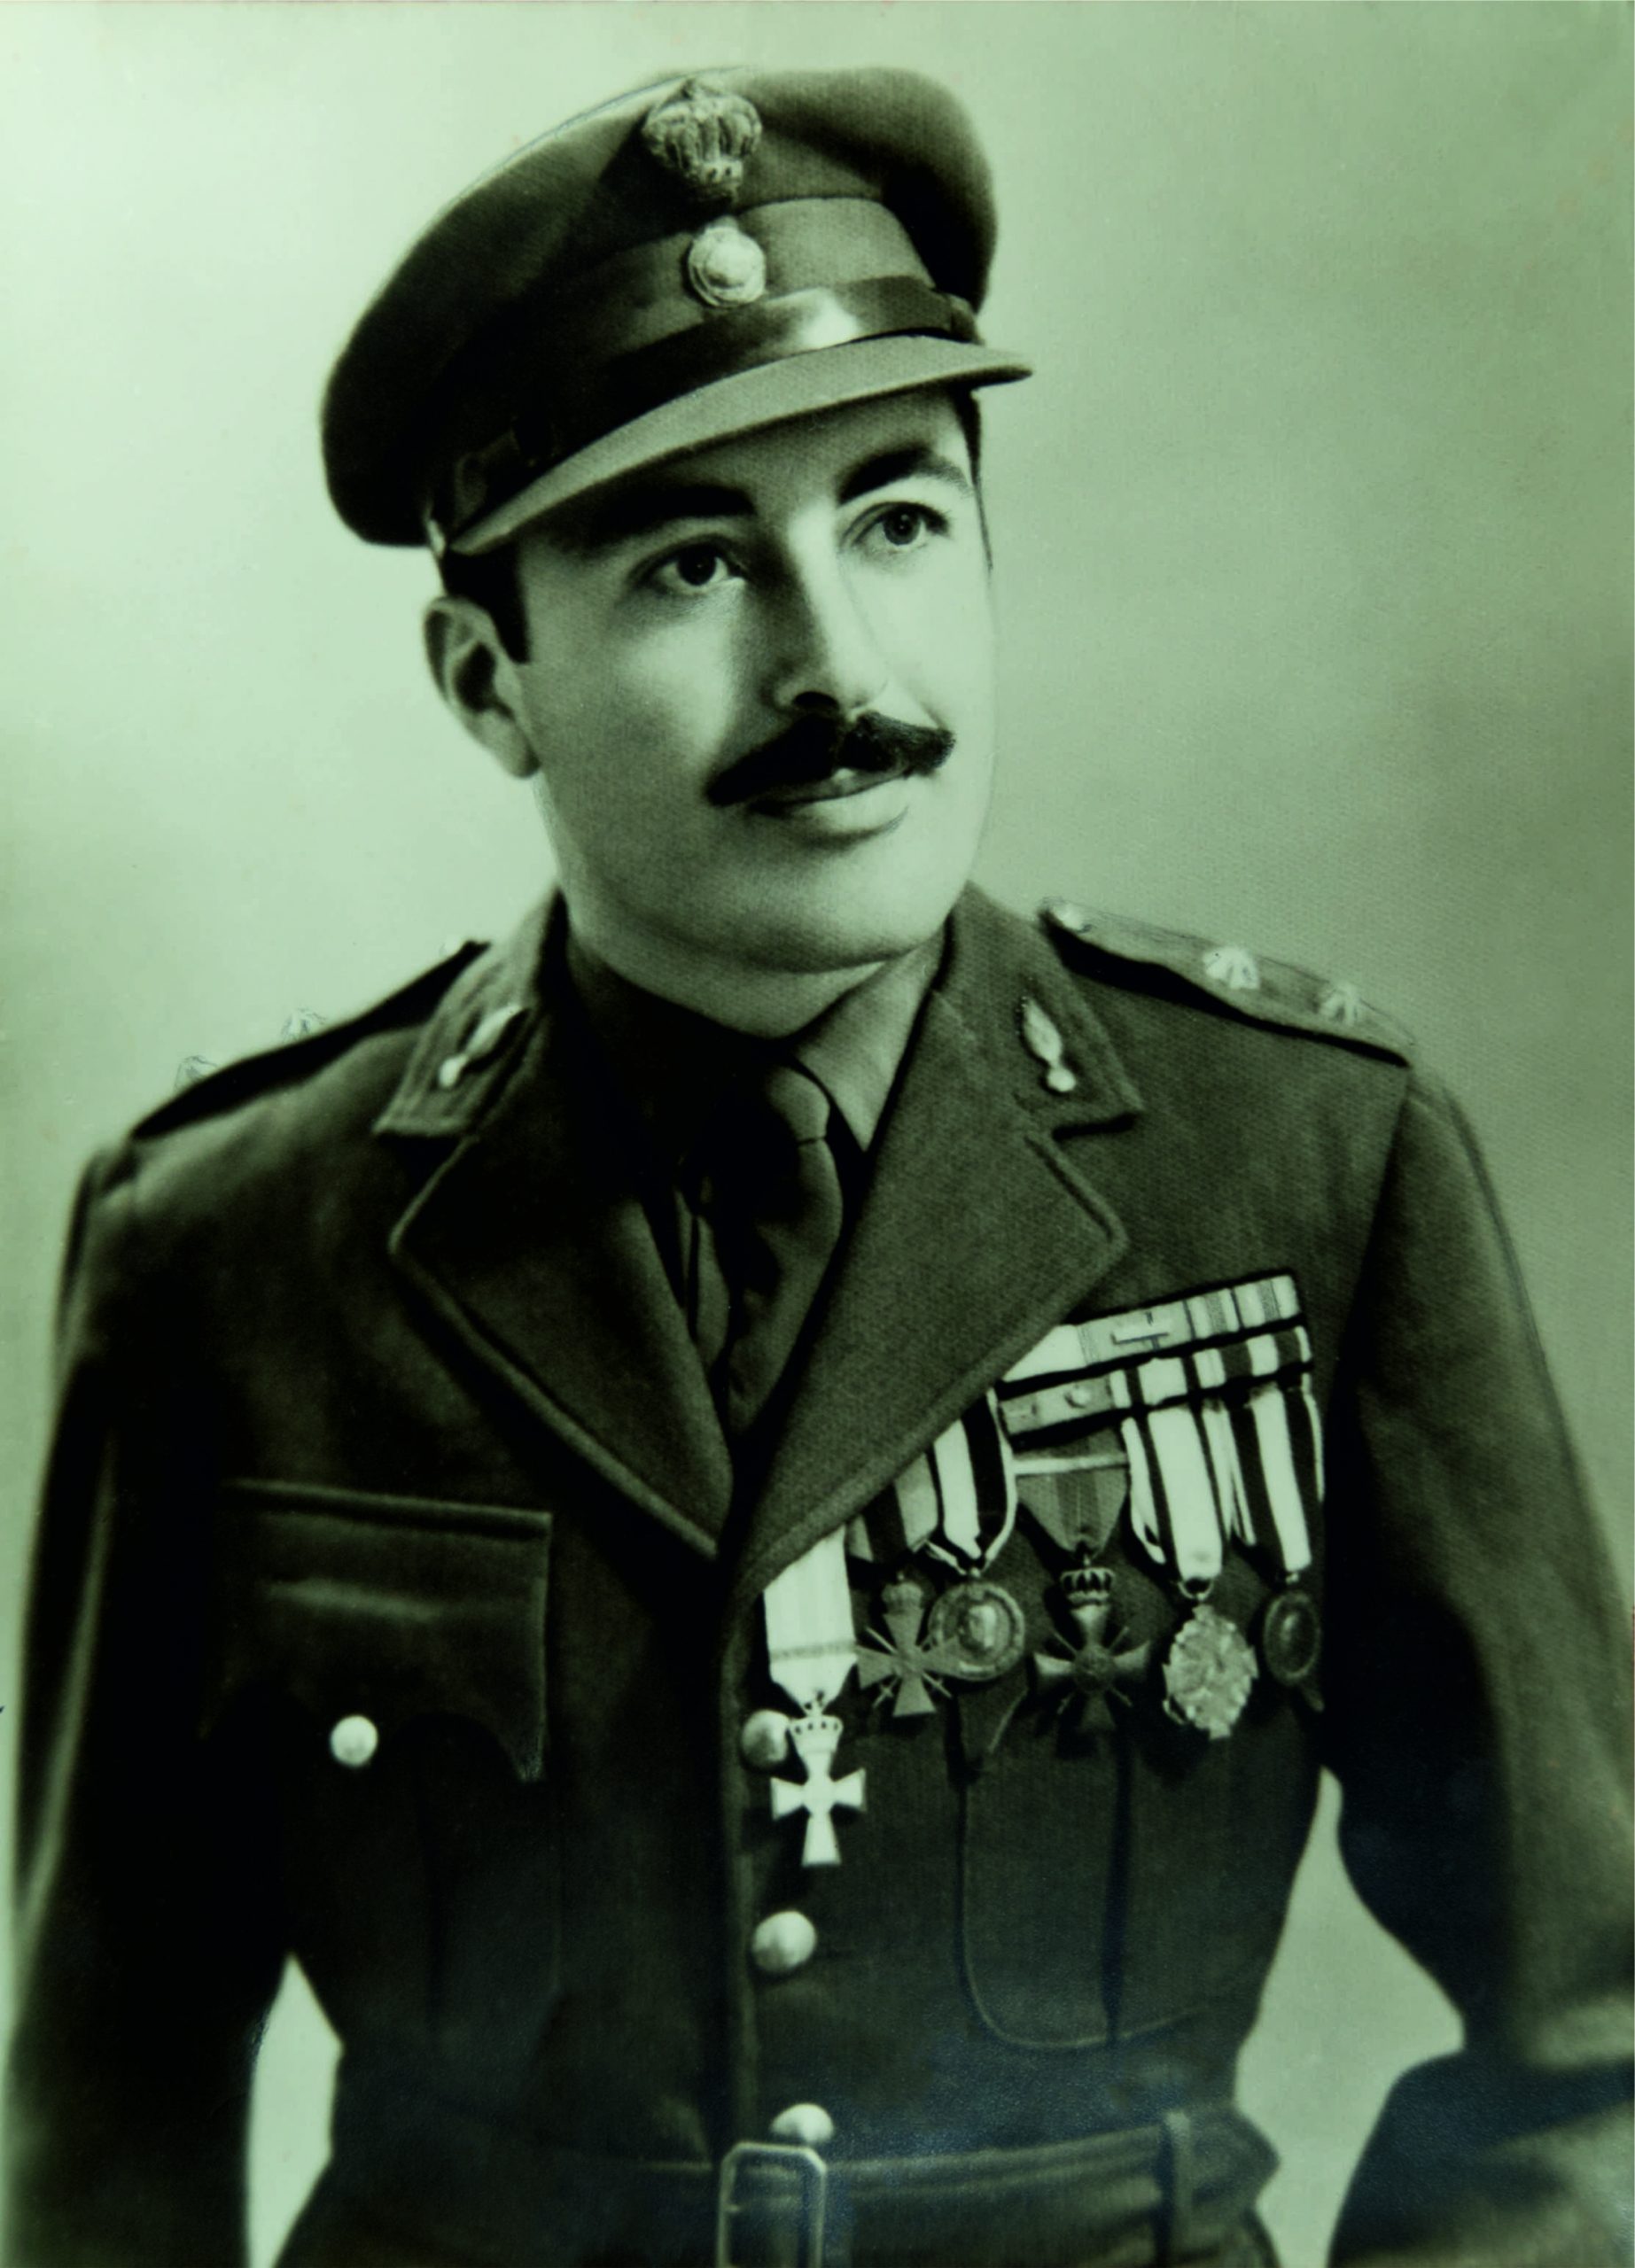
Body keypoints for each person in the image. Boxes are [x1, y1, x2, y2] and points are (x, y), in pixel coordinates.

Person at [5, 64, 1629, 2268]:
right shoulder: (231, 1245)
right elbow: (103, 2120)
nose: (836, 668)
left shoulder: (1308, 1166)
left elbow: (1592, 2031)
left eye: (896, 521)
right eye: (693, 564)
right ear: (487, 680)